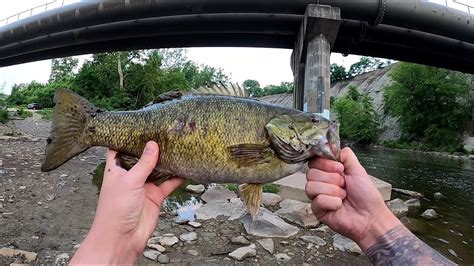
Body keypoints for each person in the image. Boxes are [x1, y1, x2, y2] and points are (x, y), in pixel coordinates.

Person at [71, 141, 454, 265]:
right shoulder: (269, 148)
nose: (320, 130)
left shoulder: (282, 153)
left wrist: (372, 221)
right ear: (282, 130)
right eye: (307, 123)